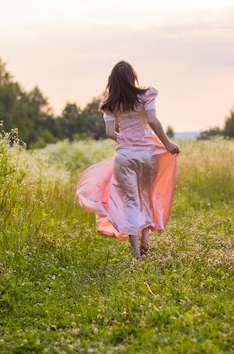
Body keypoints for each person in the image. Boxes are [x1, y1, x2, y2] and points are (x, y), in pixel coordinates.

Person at [76, 61, 180, 259]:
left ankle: (135, 253)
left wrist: (123, 138)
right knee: (146, 196)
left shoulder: (110, 104)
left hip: (124, 157)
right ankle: (146, 241)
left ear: (113, 81)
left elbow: (109, 133)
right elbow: (152, 120)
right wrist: (166, 144)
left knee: (131, 201)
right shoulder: (145, 96)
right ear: (132, 77)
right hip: (147, 155)